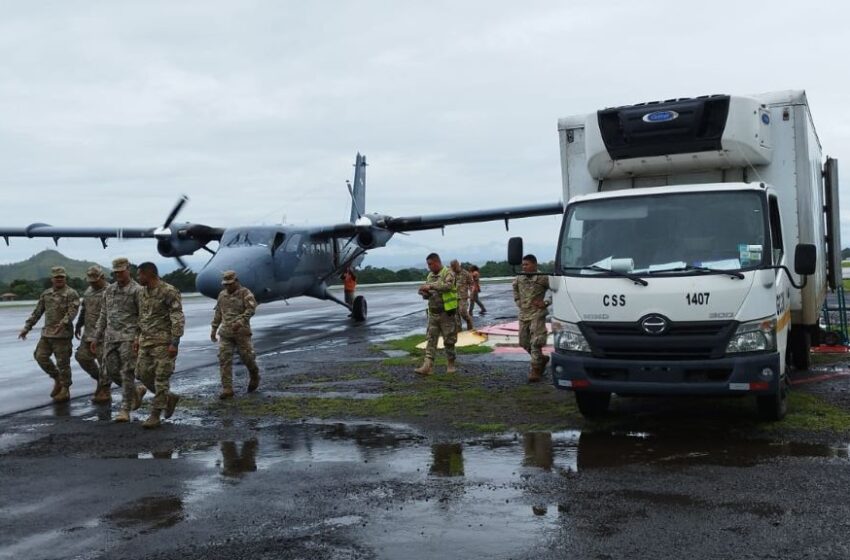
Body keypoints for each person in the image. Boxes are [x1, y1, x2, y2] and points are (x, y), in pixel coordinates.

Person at [92, 258, 146, 422]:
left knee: (127, 372)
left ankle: (125, 410)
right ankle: (136, 391)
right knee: (111, 371)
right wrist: (97, 336)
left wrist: (138, 338)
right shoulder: (109, 290)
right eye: (115, 272)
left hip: (129, 337)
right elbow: (104, 314)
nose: (118, 275)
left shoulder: (138, 290)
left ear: (128, 270)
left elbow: (143, 316)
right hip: (111, 337)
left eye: (121, 271)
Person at [18, 266, 80, 403]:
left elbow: (72, 311)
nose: (59, 279)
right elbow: (37, 312)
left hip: (62, 335)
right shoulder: (46, 294)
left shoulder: (71, 293)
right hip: (47, 334)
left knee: (63, 363)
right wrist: (27, 328)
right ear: (52, 279)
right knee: (40, 356)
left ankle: (65, 389)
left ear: (65, 278)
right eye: (56, 277)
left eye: (61, 277)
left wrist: (63, 323)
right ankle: (57, 378)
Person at [134, 262, 185, 429]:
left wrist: (174, 342)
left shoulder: (168, 291)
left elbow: (177, 317)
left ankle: (155, 415)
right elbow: (141, 317)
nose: (137, 277)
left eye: (139, 274)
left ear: (149, 274)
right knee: (141, 374)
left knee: (161, 378)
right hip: (145, 341)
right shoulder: (142, 293)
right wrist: (136, 338)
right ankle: (169, 398)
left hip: (164, 343)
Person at [211, 270, 260, 399]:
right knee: (224, 359)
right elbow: (218, 313)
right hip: (225, 333)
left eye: (230, 284)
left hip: (241, 332)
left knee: (247, 358)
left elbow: (251, 309)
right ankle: (227, 389)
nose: (227, 286)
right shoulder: (222, 295)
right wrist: (214, 329)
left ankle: (254, 375)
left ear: (236, 281)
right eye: (225, 284)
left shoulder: (245, 293)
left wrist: (241, 321)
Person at [414, 253, 459, 376]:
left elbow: (448, 286)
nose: (429, 267)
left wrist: (430, 286)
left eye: (430, 264)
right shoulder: (430, 276)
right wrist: (424, 293)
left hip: (446, 313)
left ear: (437, 262)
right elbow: (430, 294)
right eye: (428, 264)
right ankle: (427, 366)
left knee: (449, 340)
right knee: (431, 340)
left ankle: (451, 364)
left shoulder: (448, 273)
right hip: (433, 313)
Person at [513, 254, 552, 382]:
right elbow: (515, 289)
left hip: (537, 314)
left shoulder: (543, 277)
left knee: (536, 341)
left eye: (527, 264)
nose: (524, 267)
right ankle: (541, 359)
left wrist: (545, 302)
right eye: (523, 265)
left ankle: (535, 370)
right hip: (524, 314)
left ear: (535, 265)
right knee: (523, 342)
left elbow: (556, 291)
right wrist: (518, 301)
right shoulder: (520, 277)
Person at [75, 265, 109, 403]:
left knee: (105, 364)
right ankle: (100, 381)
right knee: (82, 357)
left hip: (105, 335)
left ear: (102, 277)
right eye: (90, 281)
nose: (92, 283)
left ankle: (105, 390)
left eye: (95, 281)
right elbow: (84, 309)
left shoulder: (111, 291)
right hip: (88, 333)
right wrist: (78, 324)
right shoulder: (88, 291)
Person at [450, 259, 474, 331]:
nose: (454, 268)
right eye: (452, 267)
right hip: (454, 298)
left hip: (463, 297)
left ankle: (470, 327)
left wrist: (471, 292)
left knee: (463, 312)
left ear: (458, 265)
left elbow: (471, 284)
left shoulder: (465, 273)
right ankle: (459, 333)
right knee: (456, 317)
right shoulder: (452, 274)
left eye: (454, 267)